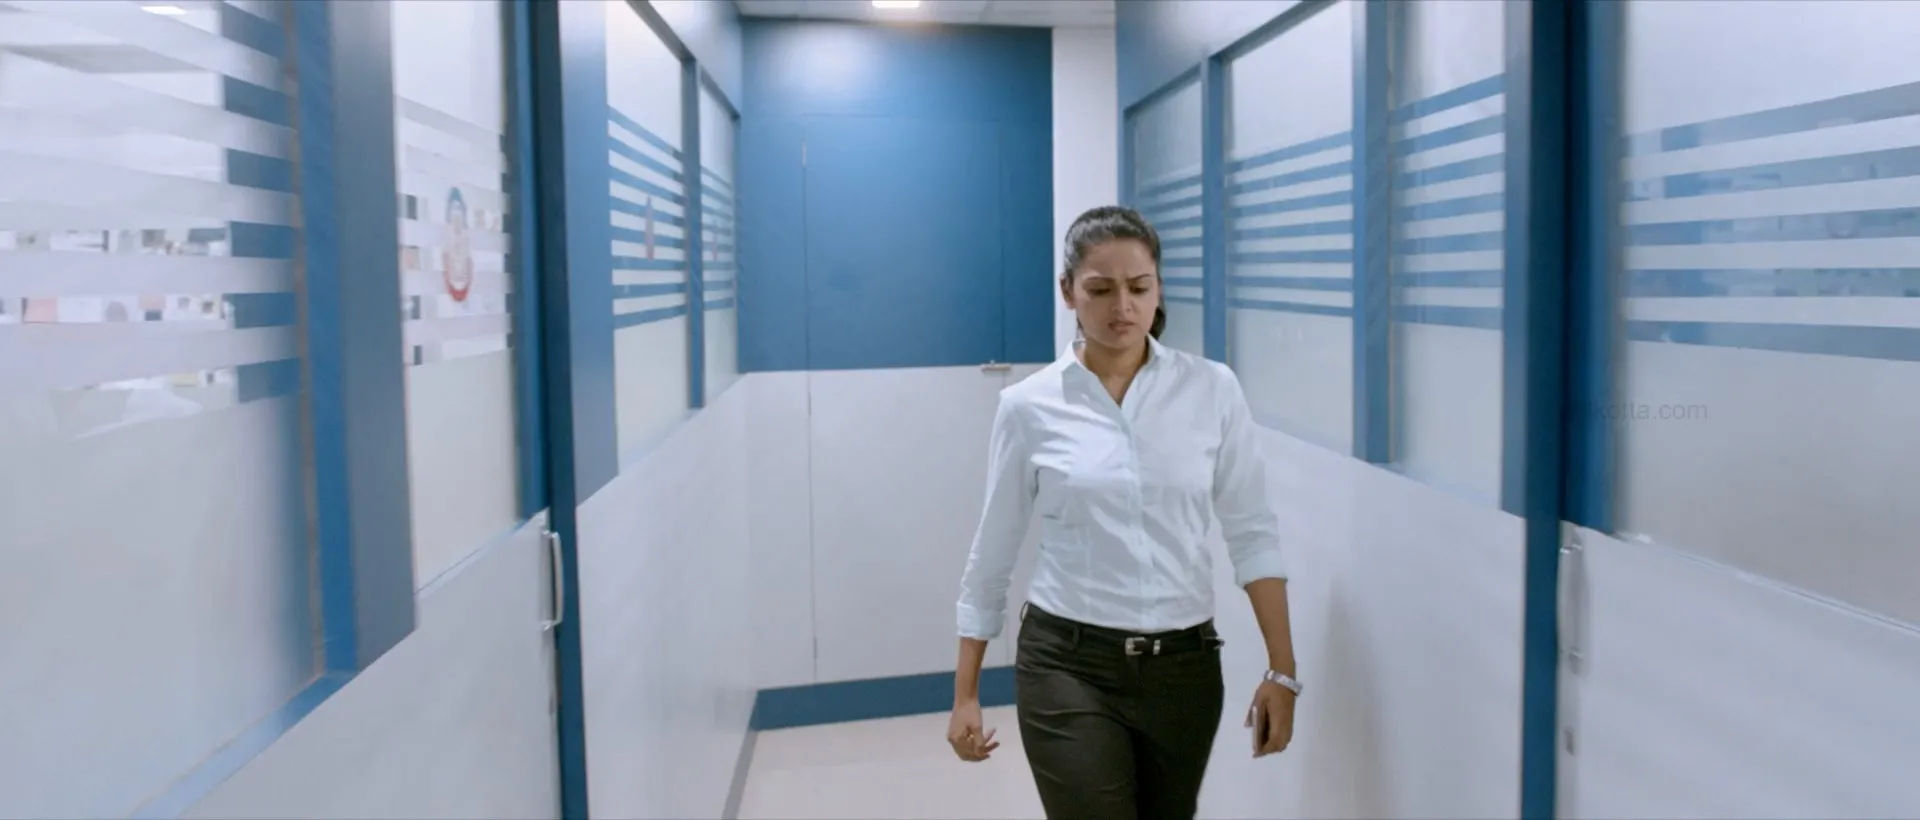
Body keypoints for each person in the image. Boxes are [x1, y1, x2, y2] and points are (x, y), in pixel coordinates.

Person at [946, 206, 1301, 819]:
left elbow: (1252, 534)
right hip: (1067, 663)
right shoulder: (1029, 407)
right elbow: (992, 553)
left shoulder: (1212, 390)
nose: (1123, 307)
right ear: (1068, 291)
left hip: (1184, 669)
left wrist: (1283, 671)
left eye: (1139, 287)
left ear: (1158, 288)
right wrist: (965, 693)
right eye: (1100, 289)